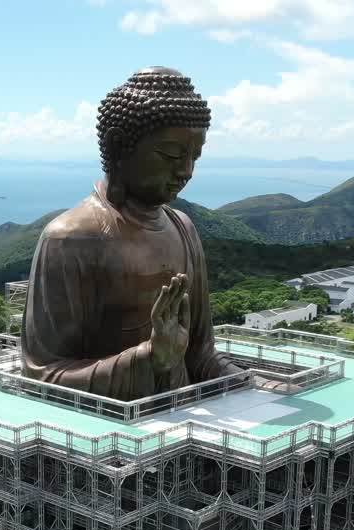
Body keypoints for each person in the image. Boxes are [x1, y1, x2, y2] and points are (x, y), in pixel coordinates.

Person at [20, 67, 242, 401]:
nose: (186, 172)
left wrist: (253, 384)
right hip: (110, 428)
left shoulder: (183, 228)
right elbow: (42, 377)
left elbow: (200, 355)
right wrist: (150, 358)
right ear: (118, 145)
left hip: (186, 416)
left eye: (194, 157)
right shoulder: (70, 239)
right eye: (171, 155)